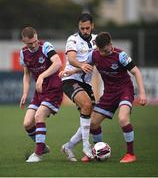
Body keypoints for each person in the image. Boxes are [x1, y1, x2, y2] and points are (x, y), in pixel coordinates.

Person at [86, 32, 147, 163]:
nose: (102, 53)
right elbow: (85, 67)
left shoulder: (121, 56)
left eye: (105, 50)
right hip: (109, 93)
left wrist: (142, 93)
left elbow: (136, 72)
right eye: (100, 51)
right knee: (93, 123)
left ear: (110, 44)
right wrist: (70, 71)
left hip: (125, 90)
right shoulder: (94, 54)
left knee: (123, 118)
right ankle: (99, 150)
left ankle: (130, 154)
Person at [60, 13, 102, 162]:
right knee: (86, 104)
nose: (84, 31)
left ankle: (68, 146)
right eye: (82, 28)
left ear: (92, 26)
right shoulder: (72, 39)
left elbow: (100, 59)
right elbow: (71, 58)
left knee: (92, 121)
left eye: (87, 28)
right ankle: (86, 146)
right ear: (78, 26)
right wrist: (80, 66)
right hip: (70, 79)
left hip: (86, 83)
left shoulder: (97, 41)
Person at [19, 27, 63, 163]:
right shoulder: (23, 53)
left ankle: (38, 154)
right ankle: (42, 147)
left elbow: (58, 63)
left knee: (39, 115)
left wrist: (42, 76)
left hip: (54, 88)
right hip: (39, 92)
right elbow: (26, 75)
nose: (33, 45)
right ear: (24, 41)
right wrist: (25, 93)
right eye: (29, 43)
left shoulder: (46, 46)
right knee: (27, 124)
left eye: (34, 41)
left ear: (37, 37)